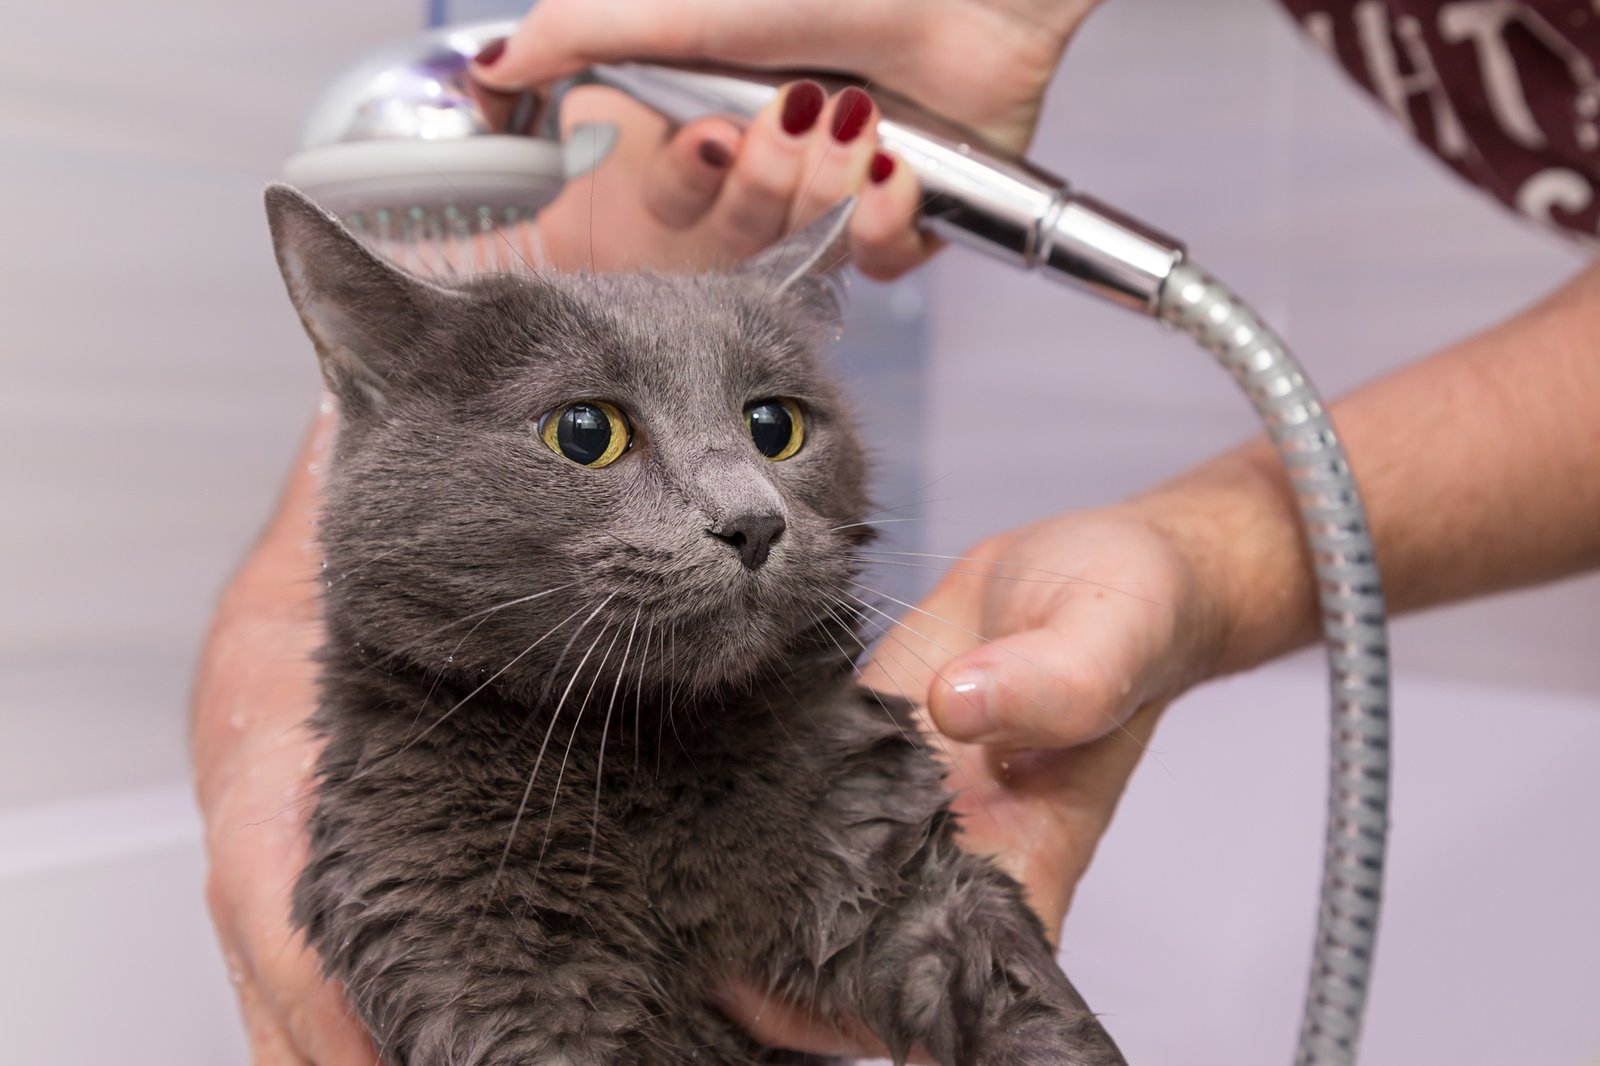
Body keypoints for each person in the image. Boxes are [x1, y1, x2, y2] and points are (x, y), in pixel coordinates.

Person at [195, 0, 1600, 1060]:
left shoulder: (811, 740)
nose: (748, 507)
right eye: (590, 437)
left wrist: (1212, 558)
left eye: (773, 426)